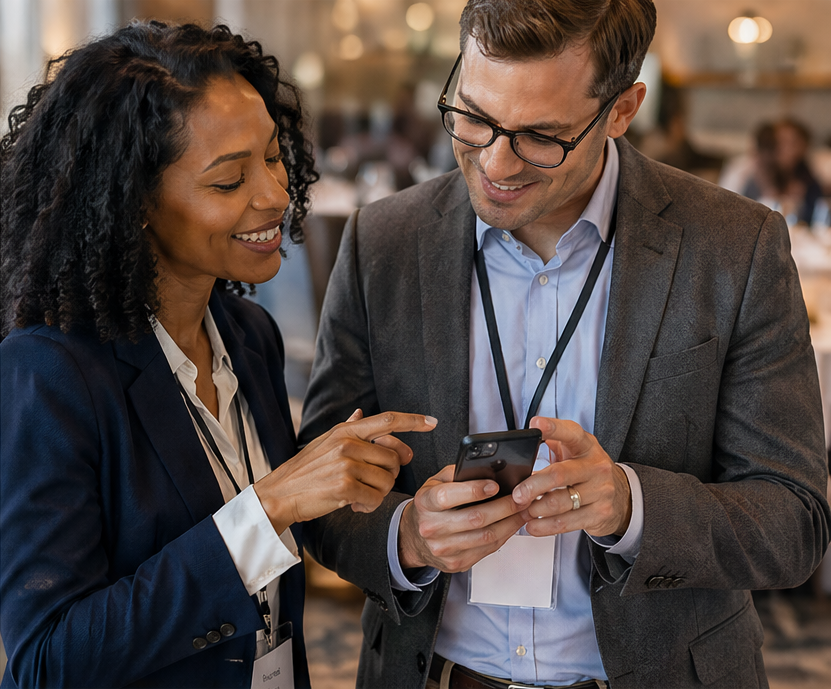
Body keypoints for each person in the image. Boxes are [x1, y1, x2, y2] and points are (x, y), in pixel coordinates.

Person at [298, 1, 831, 687]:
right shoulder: (383, 241)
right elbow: (319, 491)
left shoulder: (734, 245)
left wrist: (630, 505)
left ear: (621, 109)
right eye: (473, 116)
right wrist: (405, 536)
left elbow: (794, 521)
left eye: (540, 136)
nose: (495, 162)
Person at [0, 21, 436, 689]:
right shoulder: (51, 372)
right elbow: (46, 662)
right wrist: (265, 508)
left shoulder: (247, 333)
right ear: (134, 203)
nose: (273, 193)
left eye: (271, 155)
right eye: (229, 180)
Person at [742, 118, 824, 226]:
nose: (781, 148)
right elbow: (745, 216)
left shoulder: (806, 178)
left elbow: (816, 218)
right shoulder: (758, 175)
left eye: (791, 143)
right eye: (778, 142)